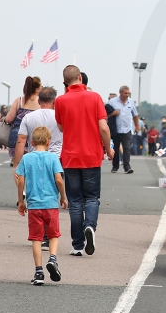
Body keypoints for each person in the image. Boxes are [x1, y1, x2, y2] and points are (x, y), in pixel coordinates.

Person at [55, 65, 111, 256]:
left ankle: (77, 245)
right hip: (92, 155)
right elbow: (103, 127)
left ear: (65, 82)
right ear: (80, 77)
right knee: (92, 197)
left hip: (70, 156)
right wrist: (109, 149)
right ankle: (90, 226)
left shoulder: (60, 100)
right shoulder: (94, 97)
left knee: (75, 200)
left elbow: (61, 128)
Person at [16, 126, 67, 285]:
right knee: (53, 235)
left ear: (31, 142)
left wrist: (21, 201)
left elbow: (20, 180)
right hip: (50, 203)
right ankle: (52, 258)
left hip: (34, 205)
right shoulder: (53, 158)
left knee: (36, 239)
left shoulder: (26, 159)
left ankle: (39, 273)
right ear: (48, 141)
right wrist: (63, 197)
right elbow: (59, 179)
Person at [5, 76, 42, 166]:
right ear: (37, 89)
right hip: (35, 138)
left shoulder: (19, 101)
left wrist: (4, 119)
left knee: (17, 166)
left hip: (17, 137)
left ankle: (20, 180)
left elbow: (9, 119)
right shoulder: (41, 102)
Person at [107, 86, 139, 174]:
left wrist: (137, 126)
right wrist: (114, 113)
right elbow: (105, 115)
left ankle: (127, 166)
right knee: (116, 149)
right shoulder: (112, 102)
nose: (127, 95)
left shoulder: (131, 102)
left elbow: (135, 115)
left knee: (127, 148)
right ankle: (115, 166)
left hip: (127, 129)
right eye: (125, 93)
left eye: (128, 93)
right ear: (120, 93)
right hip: (116, 129)